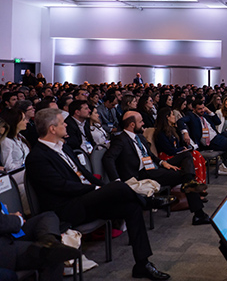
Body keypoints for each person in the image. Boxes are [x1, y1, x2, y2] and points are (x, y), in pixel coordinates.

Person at [25, 108, 171, 280]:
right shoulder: (37, 157)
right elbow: (61, 186)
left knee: (131, 207)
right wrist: (97, 190)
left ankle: (142, 264)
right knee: (118, 187)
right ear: (52, 129)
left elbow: (85, 174)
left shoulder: (63, 147)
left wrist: (101, 188)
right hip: (66, 208)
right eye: (62, 123)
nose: (66, 125)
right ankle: (148, 201)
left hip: (86, 201)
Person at [103, 111, 211, 225]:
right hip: (142, 173)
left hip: (154, 167)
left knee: (187, 155)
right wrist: (116, 180)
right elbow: (108, 158)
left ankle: (189, 183)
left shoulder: (140, 137)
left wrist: (162, 162)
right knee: (185, 177)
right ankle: (198, 213)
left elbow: (150, 155)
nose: (143, 123)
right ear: (132, 125)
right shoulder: (121, 139)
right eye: (140, 122)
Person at [0, 209, 80, 281]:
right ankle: (49, 246)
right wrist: (17, 219)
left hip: (7, 233)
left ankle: (48, 241)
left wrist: (7, 216)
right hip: (4, 249)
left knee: (48, 216)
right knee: (53, 257)